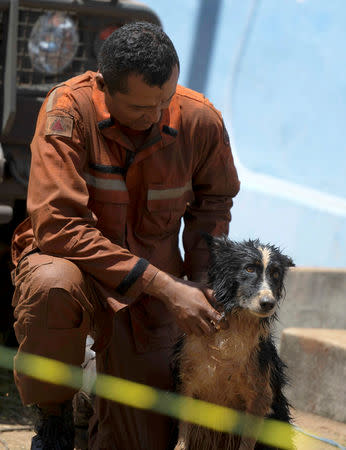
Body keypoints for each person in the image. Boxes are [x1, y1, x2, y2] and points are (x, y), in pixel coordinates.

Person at [10, 22, 240, 450]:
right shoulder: (68, 112)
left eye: (164, 101)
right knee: (50, 288)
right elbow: (58, 226)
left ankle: (91, 393)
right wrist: (167, 287)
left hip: (149, 301)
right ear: (104, 87)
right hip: (76, 270)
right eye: (139, 108)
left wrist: (202, 284)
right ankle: (54, 416)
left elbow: (214, 205)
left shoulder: (200, 120)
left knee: (139, 441)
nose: (154, 117)